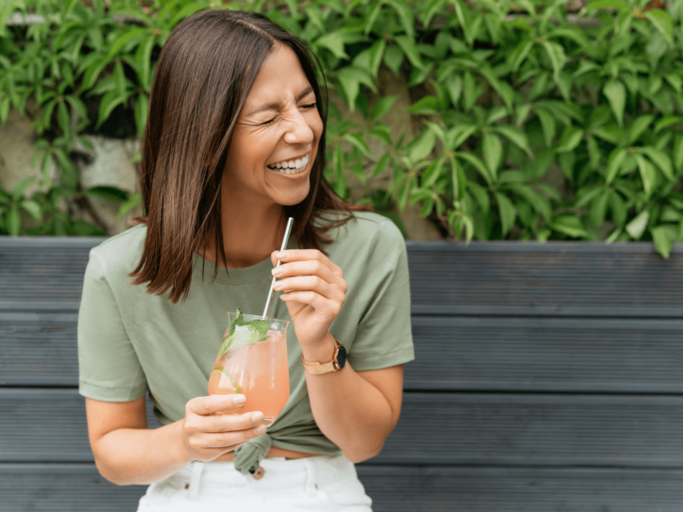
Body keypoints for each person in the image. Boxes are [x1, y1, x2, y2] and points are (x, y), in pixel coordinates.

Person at [78, 9, 414, 512]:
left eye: (308, 104)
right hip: (188, 491)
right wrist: (187, 441)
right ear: (205, 135)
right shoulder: (119, 269)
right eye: (269, 115)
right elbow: (111, 451)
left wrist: (319, 343)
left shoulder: (371, 247)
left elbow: (364, 443)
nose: (303, 132)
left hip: (320, 494)